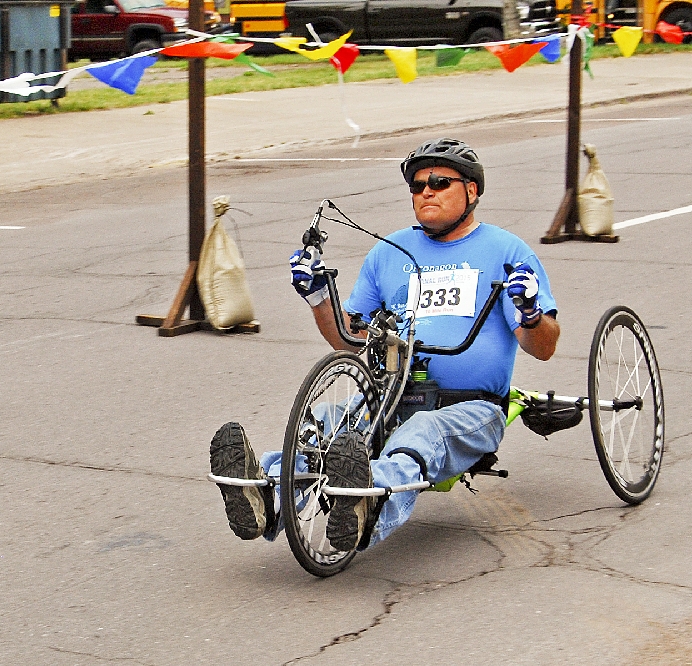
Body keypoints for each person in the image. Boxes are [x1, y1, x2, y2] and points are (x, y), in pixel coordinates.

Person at [211, 138, 559, 552]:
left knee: (424, 431)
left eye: (439, 181)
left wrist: (531, 311)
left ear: (472, 191)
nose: (425, 190)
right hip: (392, 395)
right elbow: (348, 339)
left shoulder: (507, 251)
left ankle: (366, 505)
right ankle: (267, 496)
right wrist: (319, 297)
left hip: (472, 406)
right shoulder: (388, 253)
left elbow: (543, 348)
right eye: (417, 185)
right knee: (327, 423)